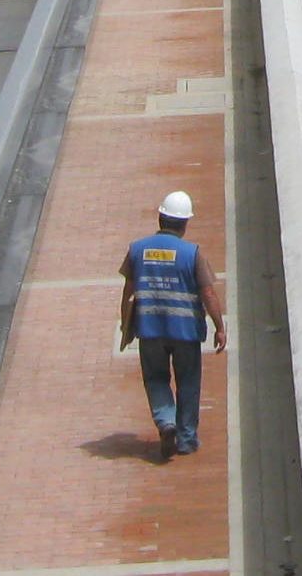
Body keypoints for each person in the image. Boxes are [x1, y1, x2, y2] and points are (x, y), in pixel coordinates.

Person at [119, 190, 226, 460]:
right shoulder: (192, 253)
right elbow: (208, 293)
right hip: (185, 332)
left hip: (150, 330)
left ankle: (166, 421)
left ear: (160, 217)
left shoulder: (137, 249)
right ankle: (187, 440)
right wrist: (219, 326)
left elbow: (128, 292)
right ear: (185, 223)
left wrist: (125, 326)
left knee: (155, 379)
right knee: (188, 383)